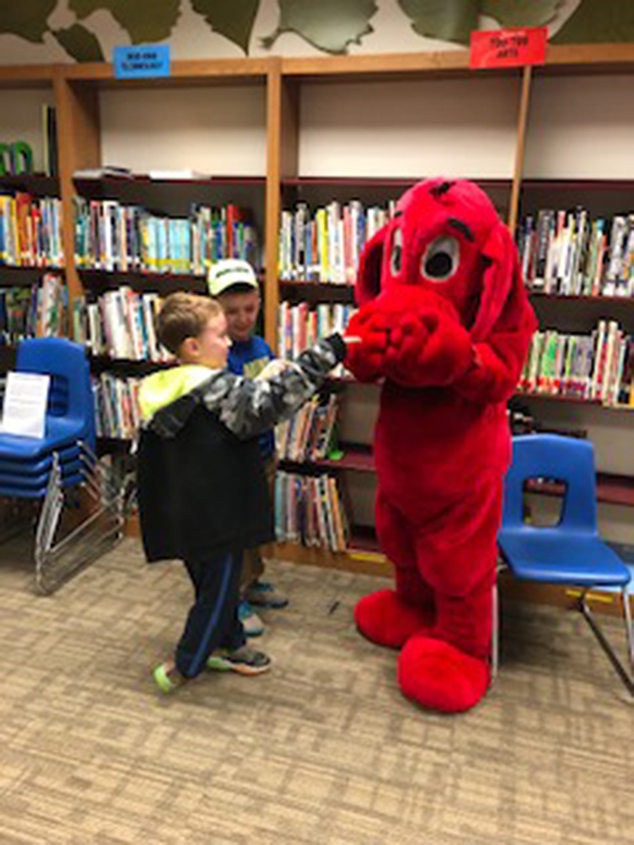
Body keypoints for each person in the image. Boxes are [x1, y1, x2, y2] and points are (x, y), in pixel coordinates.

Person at [136, 292, 346, 693]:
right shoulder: (220, 390)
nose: (230, 342)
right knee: (219, 589)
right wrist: (326, 352)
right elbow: (272, 403)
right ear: (192, 347)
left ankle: (232, 643)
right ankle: (186, 663)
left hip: (181, 512)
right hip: (218, 513)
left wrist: (254, 383)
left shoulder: (159, 387)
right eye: (220, 335)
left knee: (210, 584)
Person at [208, 259, 283, 638]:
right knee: (235, 530)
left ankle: (253, 581)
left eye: (249, 309)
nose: (241, 319)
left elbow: (267, 402)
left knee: (256, 525)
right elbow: (232, 404)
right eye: (230, 312)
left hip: (262, 452)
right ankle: (232, 597)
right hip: (233, 460)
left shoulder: (259, 346)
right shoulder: (214, 353)